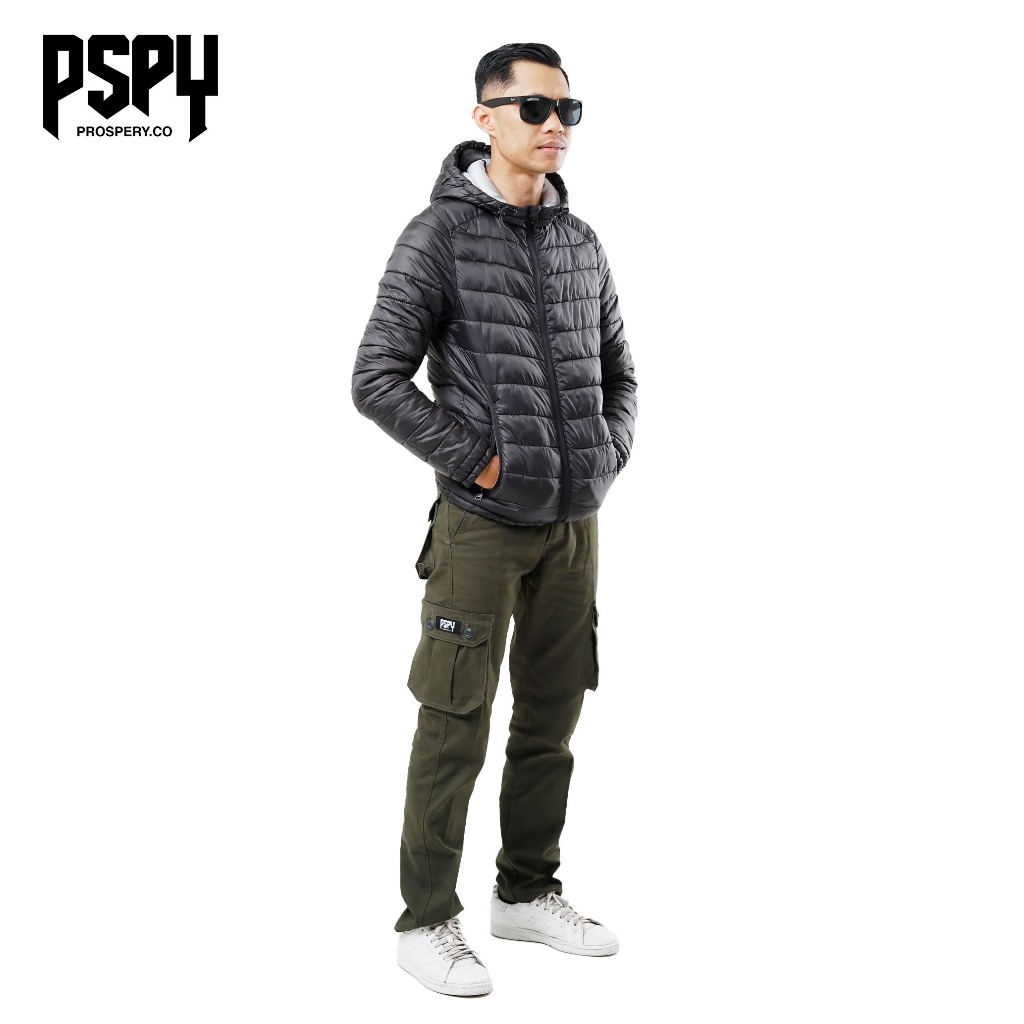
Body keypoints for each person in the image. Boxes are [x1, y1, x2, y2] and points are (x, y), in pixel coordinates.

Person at [351, 41, 638, 998]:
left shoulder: (580, 240)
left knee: (552, 717)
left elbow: (621, 372)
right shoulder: (436, 236)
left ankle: (526, 892)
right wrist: (480, 460)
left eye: (568, 110)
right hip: (479, 526)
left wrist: (603, 455)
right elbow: (376, 378)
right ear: (485, 117)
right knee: (453, 721)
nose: (555, 125)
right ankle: (426, 919)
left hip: (574, 526)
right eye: (534, 108)